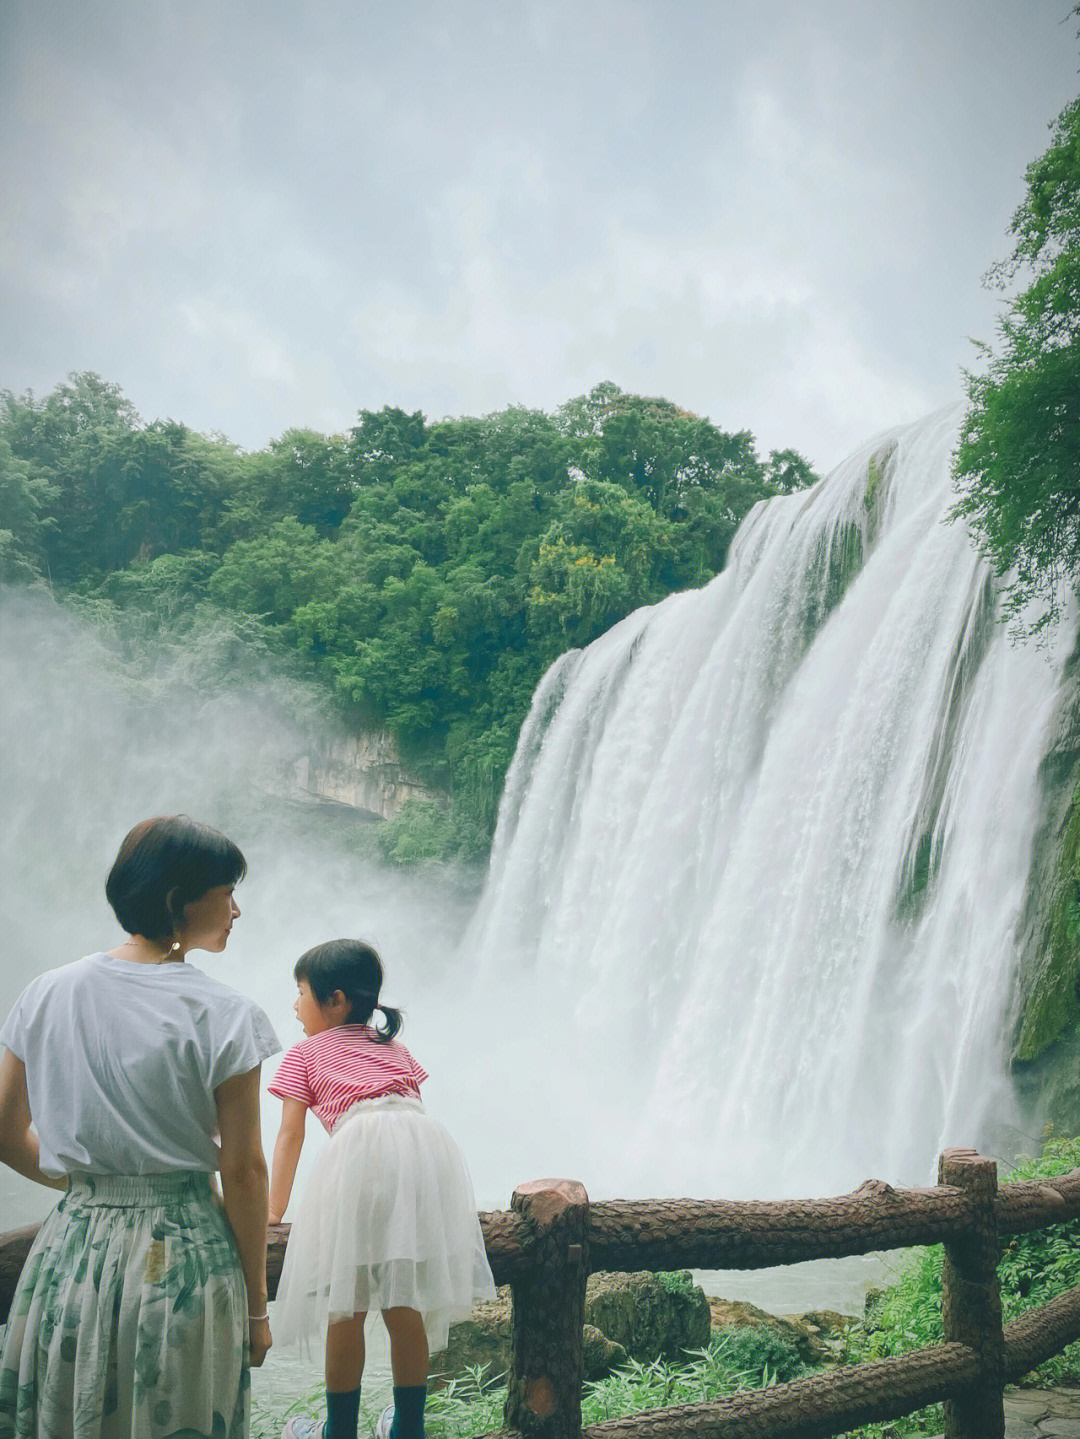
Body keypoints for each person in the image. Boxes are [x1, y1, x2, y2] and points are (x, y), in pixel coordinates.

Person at [0, 815, 280, 1438]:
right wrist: (257, 1308)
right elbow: (242, 1169)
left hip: (70, 1250)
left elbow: (3, 1127)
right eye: (227, 892)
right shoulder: (226, 1015)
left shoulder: (46, 992)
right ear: (179, 901)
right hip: (179, 1253)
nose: (237, 910)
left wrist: (90, 1188)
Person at [268, 939, 495, 1439]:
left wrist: (273, 1210)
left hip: (359, 1153)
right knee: (403, 1301)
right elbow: (409, 1109)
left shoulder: (304, 1052)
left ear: (336, 1001)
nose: (294, 1004)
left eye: (301, 992)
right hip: (424, 1153)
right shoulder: (393, 1047)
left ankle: (339, 1432)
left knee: (345, 1304)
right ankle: (409, 1428)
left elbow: (290, 1134)